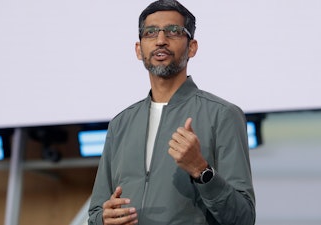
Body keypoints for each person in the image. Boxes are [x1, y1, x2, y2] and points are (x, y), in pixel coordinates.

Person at [88, 0, 255, 224]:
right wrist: (103, 219)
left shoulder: (223, 115)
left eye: (173, 32)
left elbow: (243, 218)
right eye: (150, 32)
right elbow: (96, 214)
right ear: (139, 49)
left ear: (192, 47)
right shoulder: (120, 124)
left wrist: (202, 170)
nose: (160, 40)